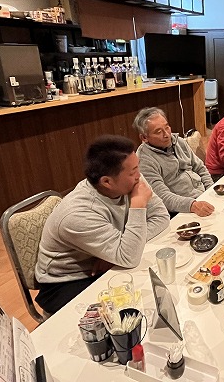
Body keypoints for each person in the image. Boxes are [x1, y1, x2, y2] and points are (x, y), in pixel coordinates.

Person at [35, 135, 169, 314]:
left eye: (137, 167)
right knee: (128, 312)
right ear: (106, 182)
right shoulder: (78, 214)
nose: (139, 176)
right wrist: (137, 207)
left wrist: (122, 249)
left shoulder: (130, 179)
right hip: (67, 280)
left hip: (109, 260)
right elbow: (130, 257)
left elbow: (161, 217)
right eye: (133, 172)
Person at [134, 107, 214, 217]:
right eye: (158, 132)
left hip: (203, 196)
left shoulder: (178, 141)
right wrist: (192, 205)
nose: (166, 134)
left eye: (167, 127)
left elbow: (200, 168)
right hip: (180, 210)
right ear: (144, 137)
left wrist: (210, 190)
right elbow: (162, 196)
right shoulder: (144, 160)